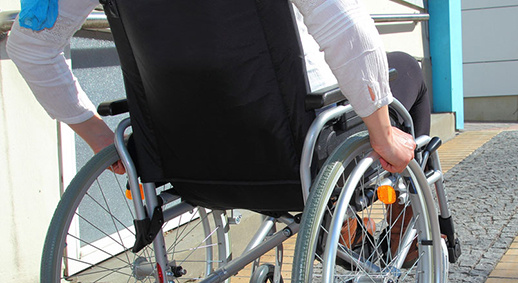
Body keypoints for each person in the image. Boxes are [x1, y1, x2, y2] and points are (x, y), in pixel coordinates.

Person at [6, 0, 430, 174]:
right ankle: (399, 225)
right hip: (288, 140)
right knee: (407, 70)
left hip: (178, 154)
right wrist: (382, 133)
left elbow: (30, 48)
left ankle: (350, 232)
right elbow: (346, 29)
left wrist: (100, 139)